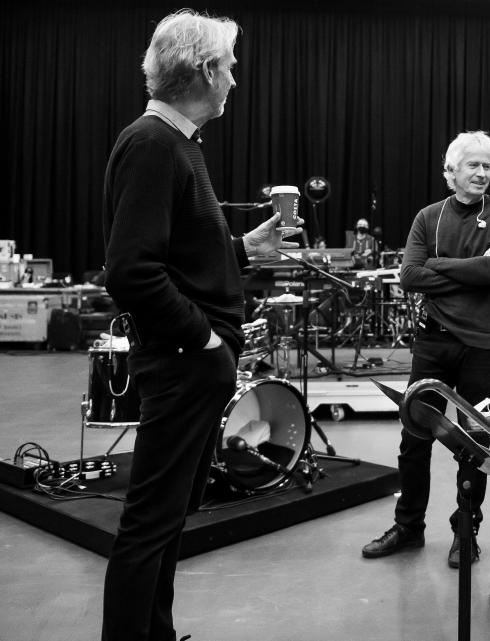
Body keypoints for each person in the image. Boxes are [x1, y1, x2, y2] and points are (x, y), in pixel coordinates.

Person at [101, 10, 300, 641]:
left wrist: (244, 249)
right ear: (206, 70)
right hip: (184, 363)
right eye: (230, 67)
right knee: (150, 522)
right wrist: (206, 338)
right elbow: (131, 271)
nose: (236, 79)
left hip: (193, 365)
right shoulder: (153, 145)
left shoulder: (174, 143)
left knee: (166, 518)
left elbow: (183, 257)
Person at [362, 131, 490, 568]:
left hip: (481, 347)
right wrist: (466, 271)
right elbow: (410, 277)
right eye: (473, 165)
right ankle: (408, 526)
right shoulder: (428, 218)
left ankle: (465, 530)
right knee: (415, 436)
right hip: (432, 343)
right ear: (451, 171)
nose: (483, 173)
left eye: (488, 165)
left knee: (475, 442)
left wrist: (437, 265)